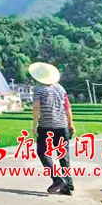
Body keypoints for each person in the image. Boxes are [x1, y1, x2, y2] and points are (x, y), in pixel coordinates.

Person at [29, 62, 76, 196]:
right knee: (64, 156)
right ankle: (68, 185)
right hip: (62, 126)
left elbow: (36, 108)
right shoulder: (60, 88)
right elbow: (67, 107)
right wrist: (70, 123)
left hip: (46, 126)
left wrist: (34, 125)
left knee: (43, 153)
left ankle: (57, 180)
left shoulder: (38, 89)